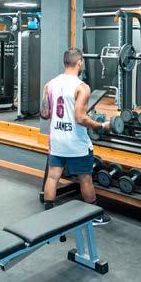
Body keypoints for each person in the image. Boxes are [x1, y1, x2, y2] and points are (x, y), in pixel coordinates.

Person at [40, 47, 111, 225]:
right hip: (76, 142)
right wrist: (101, 126)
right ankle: (95, 217)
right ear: (79, 62)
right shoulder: (82, 87)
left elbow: (44, 114)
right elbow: (80, 118)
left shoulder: (50, 84)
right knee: (85, 179)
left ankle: (48, 213)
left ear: (65, 62)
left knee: (52, 177)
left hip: (56, 139)